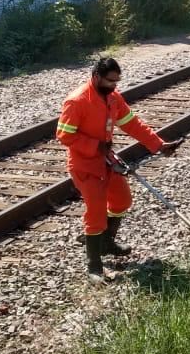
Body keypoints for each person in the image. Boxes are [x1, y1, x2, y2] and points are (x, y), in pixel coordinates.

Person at [56, 57, 182, 282]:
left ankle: (106, 242)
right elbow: (64, 136)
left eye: (117, 81)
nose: (114, 86)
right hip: (85, 165)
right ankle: (94, 266)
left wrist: (158, 145)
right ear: (96, 77)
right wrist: (94, 146)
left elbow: (132, 124)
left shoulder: (113, 98)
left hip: (107, 161)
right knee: (95, 213)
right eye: (109, 81)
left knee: (122, 201)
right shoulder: (76, 101)